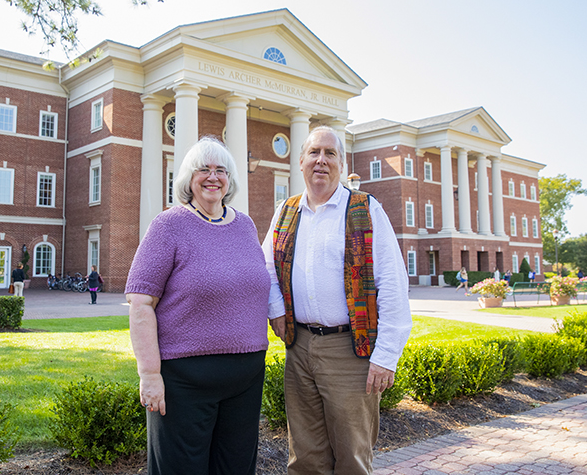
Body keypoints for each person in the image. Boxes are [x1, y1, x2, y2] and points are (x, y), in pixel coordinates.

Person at [262, 126, 412, 475]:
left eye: (330, 154)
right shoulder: (286, 211)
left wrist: (386, 356)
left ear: (341, 164)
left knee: (352, 459)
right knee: (305, 457)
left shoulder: (365, 209)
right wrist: (276, 310)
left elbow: (392, 283)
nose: (321, 160)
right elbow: (266, 267)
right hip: (299, 349)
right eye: (314, 152)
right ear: (300, 162)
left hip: (351, 351)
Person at [125, 136, 271, 475]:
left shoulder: (245, 225)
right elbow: (141, 302)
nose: (212, 177)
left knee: (236, 468)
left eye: (221, 170)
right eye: (203, 169)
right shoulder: (169, 225)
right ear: (188, 179)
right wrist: (149, 375)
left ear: (230, 179)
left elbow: (258, 286)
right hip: (184, 383)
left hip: (246, 380)